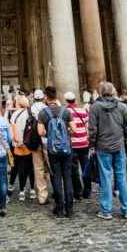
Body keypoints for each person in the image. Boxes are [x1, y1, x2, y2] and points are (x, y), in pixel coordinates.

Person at [88, 82, 127, 220]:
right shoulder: (121, 106)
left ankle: (106, 211)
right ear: (113, 91)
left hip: (103, 146)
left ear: (101, 92)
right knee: (122, 178)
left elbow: (93, 129)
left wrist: (92, 145)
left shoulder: (95, 107)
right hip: (119, 146)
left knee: (105, 178)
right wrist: (123, 139)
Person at [37, 85, 77, 218]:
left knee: (56, 177)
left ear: (46, 98)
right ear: (56, 97)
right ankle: (69, 209)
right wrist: (65, 133)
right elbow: (75, 129)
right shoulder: (65, 111)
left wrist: (50, 135)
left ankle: (59, 208)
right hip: (66, 148)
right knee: (68, 177)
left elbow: (40, 132)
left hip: (53, 149)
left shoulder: (43, 113)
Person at [65, 91, 91, 200]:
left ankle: (78, 192)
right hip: (84, 143)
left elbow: (67, 128)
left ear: (66, 100)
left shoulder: (66, 112)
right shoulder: (82, 110)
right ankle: (87, 191)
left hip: (72, 143)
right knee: (85, 167)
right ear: (75, 99)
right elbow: (87, 128)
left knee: (74, 169)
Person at [10, 95, 36, 201]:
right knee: (30, 167)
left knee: (21, 167)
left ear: (18, 103)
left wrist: (18, 140)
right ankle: (33, 190)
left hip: (18, 144)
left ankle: (22, 191)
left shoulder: (14, 115)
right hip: (29, 144)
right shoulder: (31, 114)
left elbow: (12, 130)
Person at [29, 89, 50, 206]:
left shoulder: (30, 109)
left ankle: (42, 196)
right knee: (52, 166)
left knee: (38, 168)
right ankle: (57, 192)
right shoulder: (47, 108)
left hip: (35, 141)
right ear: (43, 98)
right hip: (47, 140)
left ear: (34, 98)